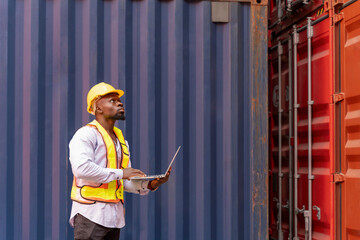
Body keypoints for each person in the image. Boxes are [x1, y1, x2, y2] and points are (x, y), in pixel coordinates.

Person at [68, 82, 170, 240]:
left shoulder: (121, 141)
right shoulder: (86, 134)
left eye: (119, 100)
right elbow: (81, 169)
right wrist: (121, 173)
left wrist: (150, 184)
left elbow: (123, 181)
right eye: (112, 101)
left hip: (113, 219)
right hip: (91, 216)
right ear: (98, 108)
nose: (120, 103)